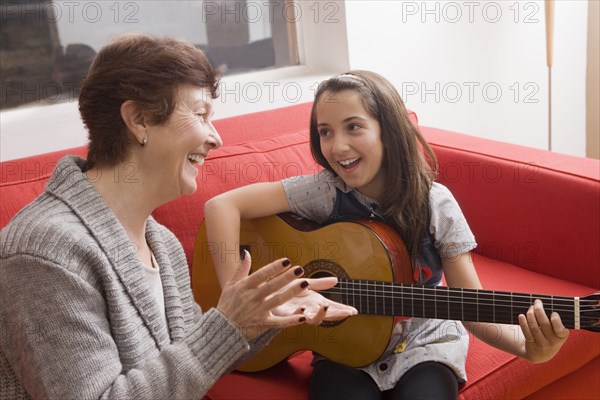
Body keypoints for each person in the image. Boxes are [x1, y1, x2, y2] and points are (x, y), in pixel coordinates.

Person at [0, 34, 358, 399]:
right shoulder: (44, 253)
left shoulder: (161, 243)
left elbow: (185, 360)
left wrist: (262, 315)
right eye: (201, 114)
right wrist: (228, 323)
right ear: (138, 120)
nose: (216, 138)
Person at [203, 70, 570, 399]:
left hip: (425, 346)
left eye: (354, 126)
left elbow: (472, 308)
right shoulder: (324, 191)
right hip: (343, 349)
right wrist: (238, 299)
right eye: (325, 131)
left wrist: (528, 348)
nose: (337, 146)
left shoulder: (434, 205)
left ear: (388, 130)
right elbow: (221, 207)